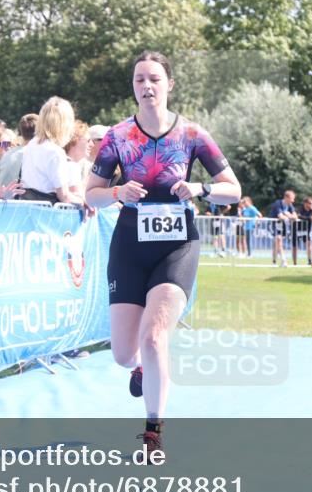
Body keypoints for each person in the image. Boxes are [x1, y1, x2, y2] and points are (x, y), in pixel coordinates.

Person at [85, 51, 240, 455]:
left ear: (169, 84)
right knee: (123, 354)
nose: (146, 86)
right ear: (133, 87)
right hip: (130, 244)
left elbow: (233, 189)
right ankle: (138, 369)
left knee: (154, 339)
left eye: (154, 78)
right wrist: (117, 191)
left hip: (177, 244)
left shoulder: (191, 134)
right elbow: (91, 195)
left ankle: (153, 434)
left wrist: (202, 189)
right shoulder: (118, 137)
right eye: (139, 80)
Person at [21, 97, 85, 205]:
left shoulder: (31, 145)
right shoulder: (55, 152)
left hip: (29, 210)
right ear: (65, 124)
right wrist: (83, 202)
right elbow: (64, 196)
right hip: (47, 214)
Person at [0, 113, 36, 187]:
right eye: (4, 144)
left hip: (6, 196)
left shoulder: (7, 155)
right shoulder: (39, 155)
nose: (8, 146)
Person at [268, 190, 297, 267]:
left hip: (282, 225)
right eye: (291, 198)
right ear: (286, 197)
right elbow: (280, 216)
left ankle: (274, 262)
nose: (293, 201)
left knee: (277, 244)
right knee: (278, 240)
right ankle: (283, 260)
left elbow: (295, 216)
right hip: (274, 224)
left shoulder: (290, 205)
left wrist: (288, 215)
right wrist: (288, 215)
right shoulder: (278, 203)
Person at [297, 196, 312, 266]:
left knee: (309, 244)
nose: (311, 205)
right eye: (310, 203)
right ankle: (294, 263)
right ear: (305, 203)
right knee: (295, 246)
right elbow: (299, 216)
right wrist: (309, 218)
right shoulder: (300, 208)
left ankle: (310, 261)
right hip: (297, 229)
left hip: (307, 230)